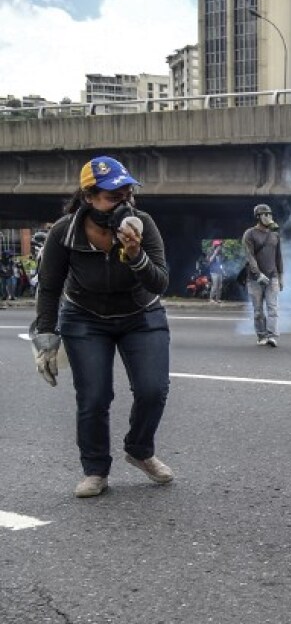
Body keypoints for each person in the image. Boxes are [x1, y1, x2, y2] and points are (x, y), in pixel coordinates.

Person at [31, 156, 174, 498]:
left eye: (127, 194)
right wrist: (46, 338)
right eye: (113, 196)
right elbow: (50, 286)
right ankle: (95, 470)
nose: (123, 202)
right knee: (94, 397)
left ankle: (139, 450)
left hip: (141, 314)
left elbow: (160, 282)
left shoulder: (144, 223)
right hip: (85, 317)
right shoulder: (65, 232)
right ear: (88, 197)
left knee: (153, 390)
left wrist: (135, 253)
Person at [242, 204, 283, 347]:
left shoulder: (275, 235)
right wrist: (258, 274)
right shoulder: (250, 233)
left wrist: (281, 277)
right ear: (258, 217)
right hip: (255, 279)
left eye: (270, 214)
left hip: (273, 277)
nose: (268, 217)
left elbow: (279, 258)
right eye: (265, 215)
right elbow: (250, 256)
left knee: (273, 308)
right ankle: (261, 335)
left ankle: (272, 336)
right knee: (258, 310)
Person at [206, 239, 225, 304]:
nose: (219, 247)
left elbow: (221, 263)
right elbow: (210, 260)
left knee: (220, 286)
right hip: (213, 271)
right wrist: (215, 252)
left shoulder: (220, 253)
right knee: (215, 285)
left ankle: (218, 299)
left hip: (219, 271)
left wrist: (223, 271)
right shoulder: (210, 252)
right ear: (215, 246)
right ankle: (211, 299)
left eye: (219, 245)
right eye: (218, 245)